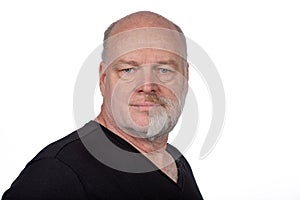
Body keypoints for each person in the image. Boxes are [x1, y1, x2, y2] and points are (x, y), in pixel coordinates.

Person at [2, 11, 204, 200]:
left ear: (185, 77)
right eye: (128, 70)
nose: (147, 86)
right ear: (103, 79)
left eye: (164, 70)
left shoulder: (175, 162)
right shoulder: (58, 174)